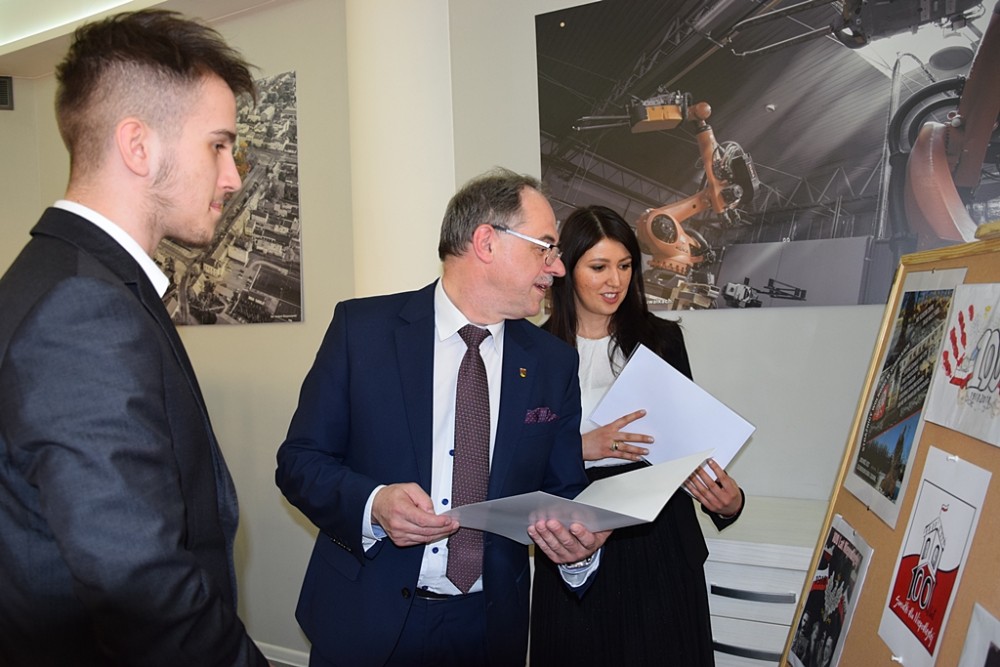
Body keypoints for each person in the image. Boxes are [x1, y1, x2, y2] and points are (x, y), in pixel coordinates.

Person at [0, 10, 268, 667]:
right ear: (138, 146)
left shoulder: (63, 277)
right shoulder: (82, 308)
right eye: (218, 145)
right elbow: (143, 588)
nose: (233, 176)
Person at [275, 168, 611, 667]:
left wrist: (579, 550)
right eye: (545, 248)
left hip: (488, 628)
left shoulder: (552, 363)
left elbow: (564, 493)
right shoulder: (363, 331)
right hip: (366, 617)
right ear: (486, 242)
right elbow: (300, 462)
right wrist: (374, 504)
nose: (557, 268)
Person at [530, 205, 745, 666]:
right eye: (599, 267)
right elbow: (513, 460)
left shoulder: (662, 340)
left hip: (659, 542)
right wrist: (580, 448)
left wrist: (728, 503)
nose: (615, 281)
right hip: (574, 539)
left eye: (625, 265)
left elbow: (688, 445)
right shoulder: (533, 352)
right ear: (566, 268)